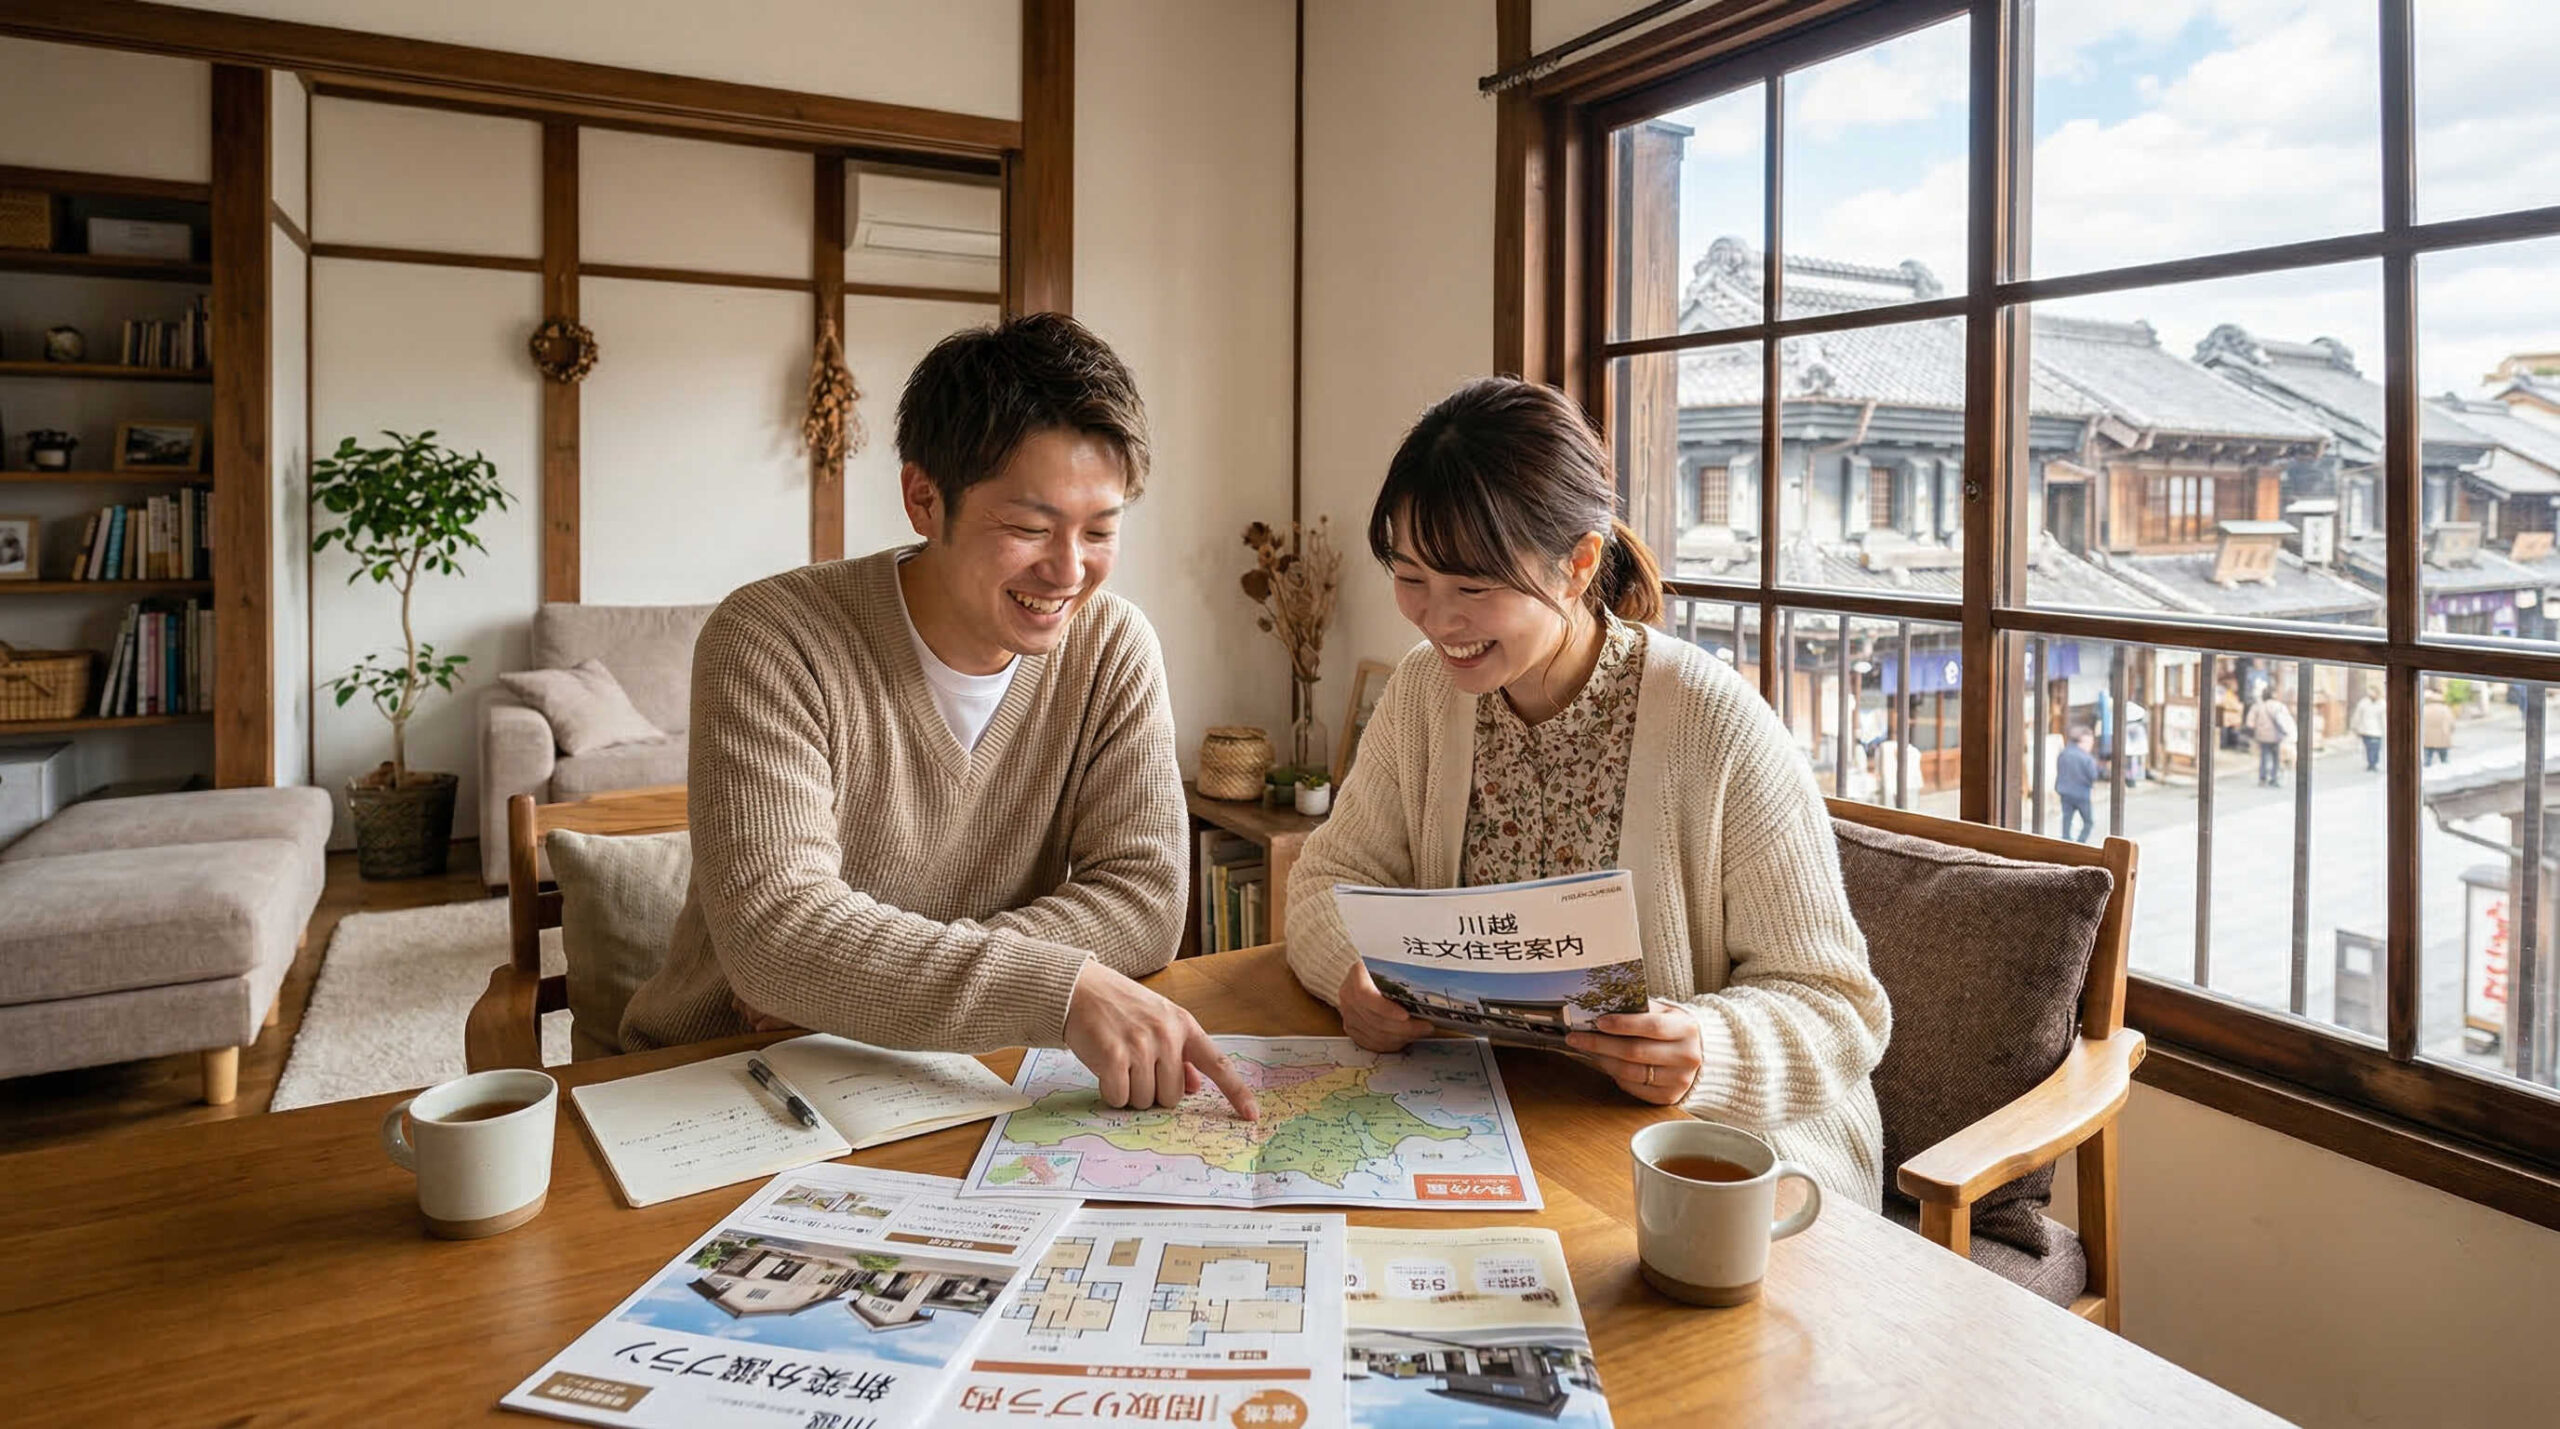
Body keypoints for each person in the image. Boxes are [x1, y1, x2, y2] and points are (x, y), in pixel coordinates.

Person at [620, 313, 1257, 1120]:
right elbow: (777, 936)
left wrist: (857, 978)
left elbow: (1145, 901)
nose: (1068, 570)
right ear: (924, 498)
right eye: (1029, 528)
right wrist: (1058, 987)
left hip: (963, 1070)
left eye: (1101, 529)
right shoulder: (771, 638)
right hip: (722, 1074)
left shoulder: (1115, 648)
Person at [1282, 377, 1890, 1207]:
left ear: (1578, 564)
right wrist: (1351, 976)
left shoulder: (1713, 720)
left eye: (1473, 586)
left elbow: (1837, 1007)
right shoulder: (1424, 695)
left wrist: (1704, 1048)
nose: (1435, 619)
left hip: (1714, 1168)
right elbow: (1325, 882)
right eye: (1411, 575)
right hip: (1492, 1125)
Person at [2056, 726, 2099, 844]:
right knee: (2088, 822)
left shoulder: (2064, 753)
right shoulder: (2087, 758)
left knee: (2067, 819)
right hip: (2081, 793)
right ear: (2082, 741)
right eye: (2090, 742)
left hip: (2065, 791)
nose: (2091, 746)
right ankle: (2080, 843)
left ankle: (2065, 842)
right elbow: (2093, 775)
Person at [2247, 689, 2295, 788]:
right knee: (2275, 758)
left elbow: (2250, 722)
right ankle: (2274, 778)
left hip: (2262, 736)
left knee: (2264, 757)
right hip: (2275, 736)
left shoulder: (2257, 707)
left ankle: (2262, 778)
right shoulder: (2278, 706)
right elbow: (2284, 720)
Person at [2349, 689, 2386, 773]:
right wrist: (2355, 727)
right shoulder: (2363, 703)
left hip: (2377, 730)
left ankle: (2374, 762)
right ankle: (2371, 763)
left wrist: (2385, 728)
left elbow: (2384, 718)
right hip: (2366, 730)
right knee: (2369, 747)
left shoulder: (2382, 704)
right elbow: (2357, 715)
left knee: (2376, 748)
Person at [2422, 687, 2455, 767]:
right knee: (2445, 761)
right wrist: (2450, 733)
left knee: (2427, 762)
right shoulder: (2445, 709)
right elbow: (2452, 724)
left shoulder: (2424, 709)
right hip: (2442, 738)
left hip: (2427, 739)